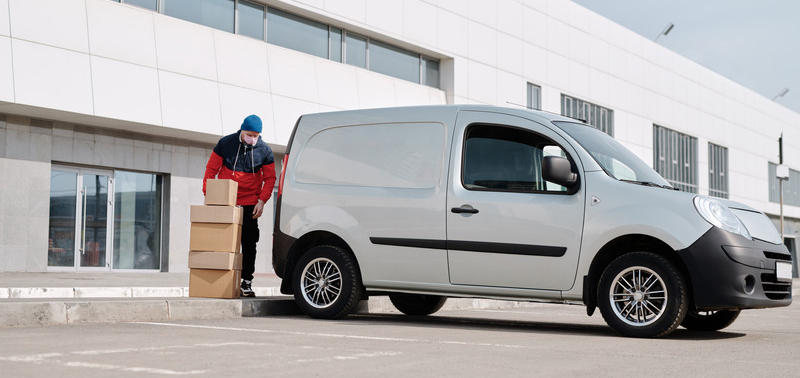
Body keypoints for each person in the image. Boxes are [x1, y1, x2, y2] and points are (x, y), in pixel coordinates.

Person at [203, 115, 276, 297]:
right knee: (222, 241)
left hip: (251, 201)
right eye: (249, 135)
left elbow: (270, 178)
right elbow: (211, 170)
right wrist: (210, 194)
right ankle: (218, 279)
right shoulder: (225, 143)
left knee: (249, 243)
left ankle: (246, 282)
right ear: (242, 131)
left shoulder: (265, 151)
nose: (253, 139)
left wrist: (262, 201)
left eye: (256, 136)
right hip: (226, 199)